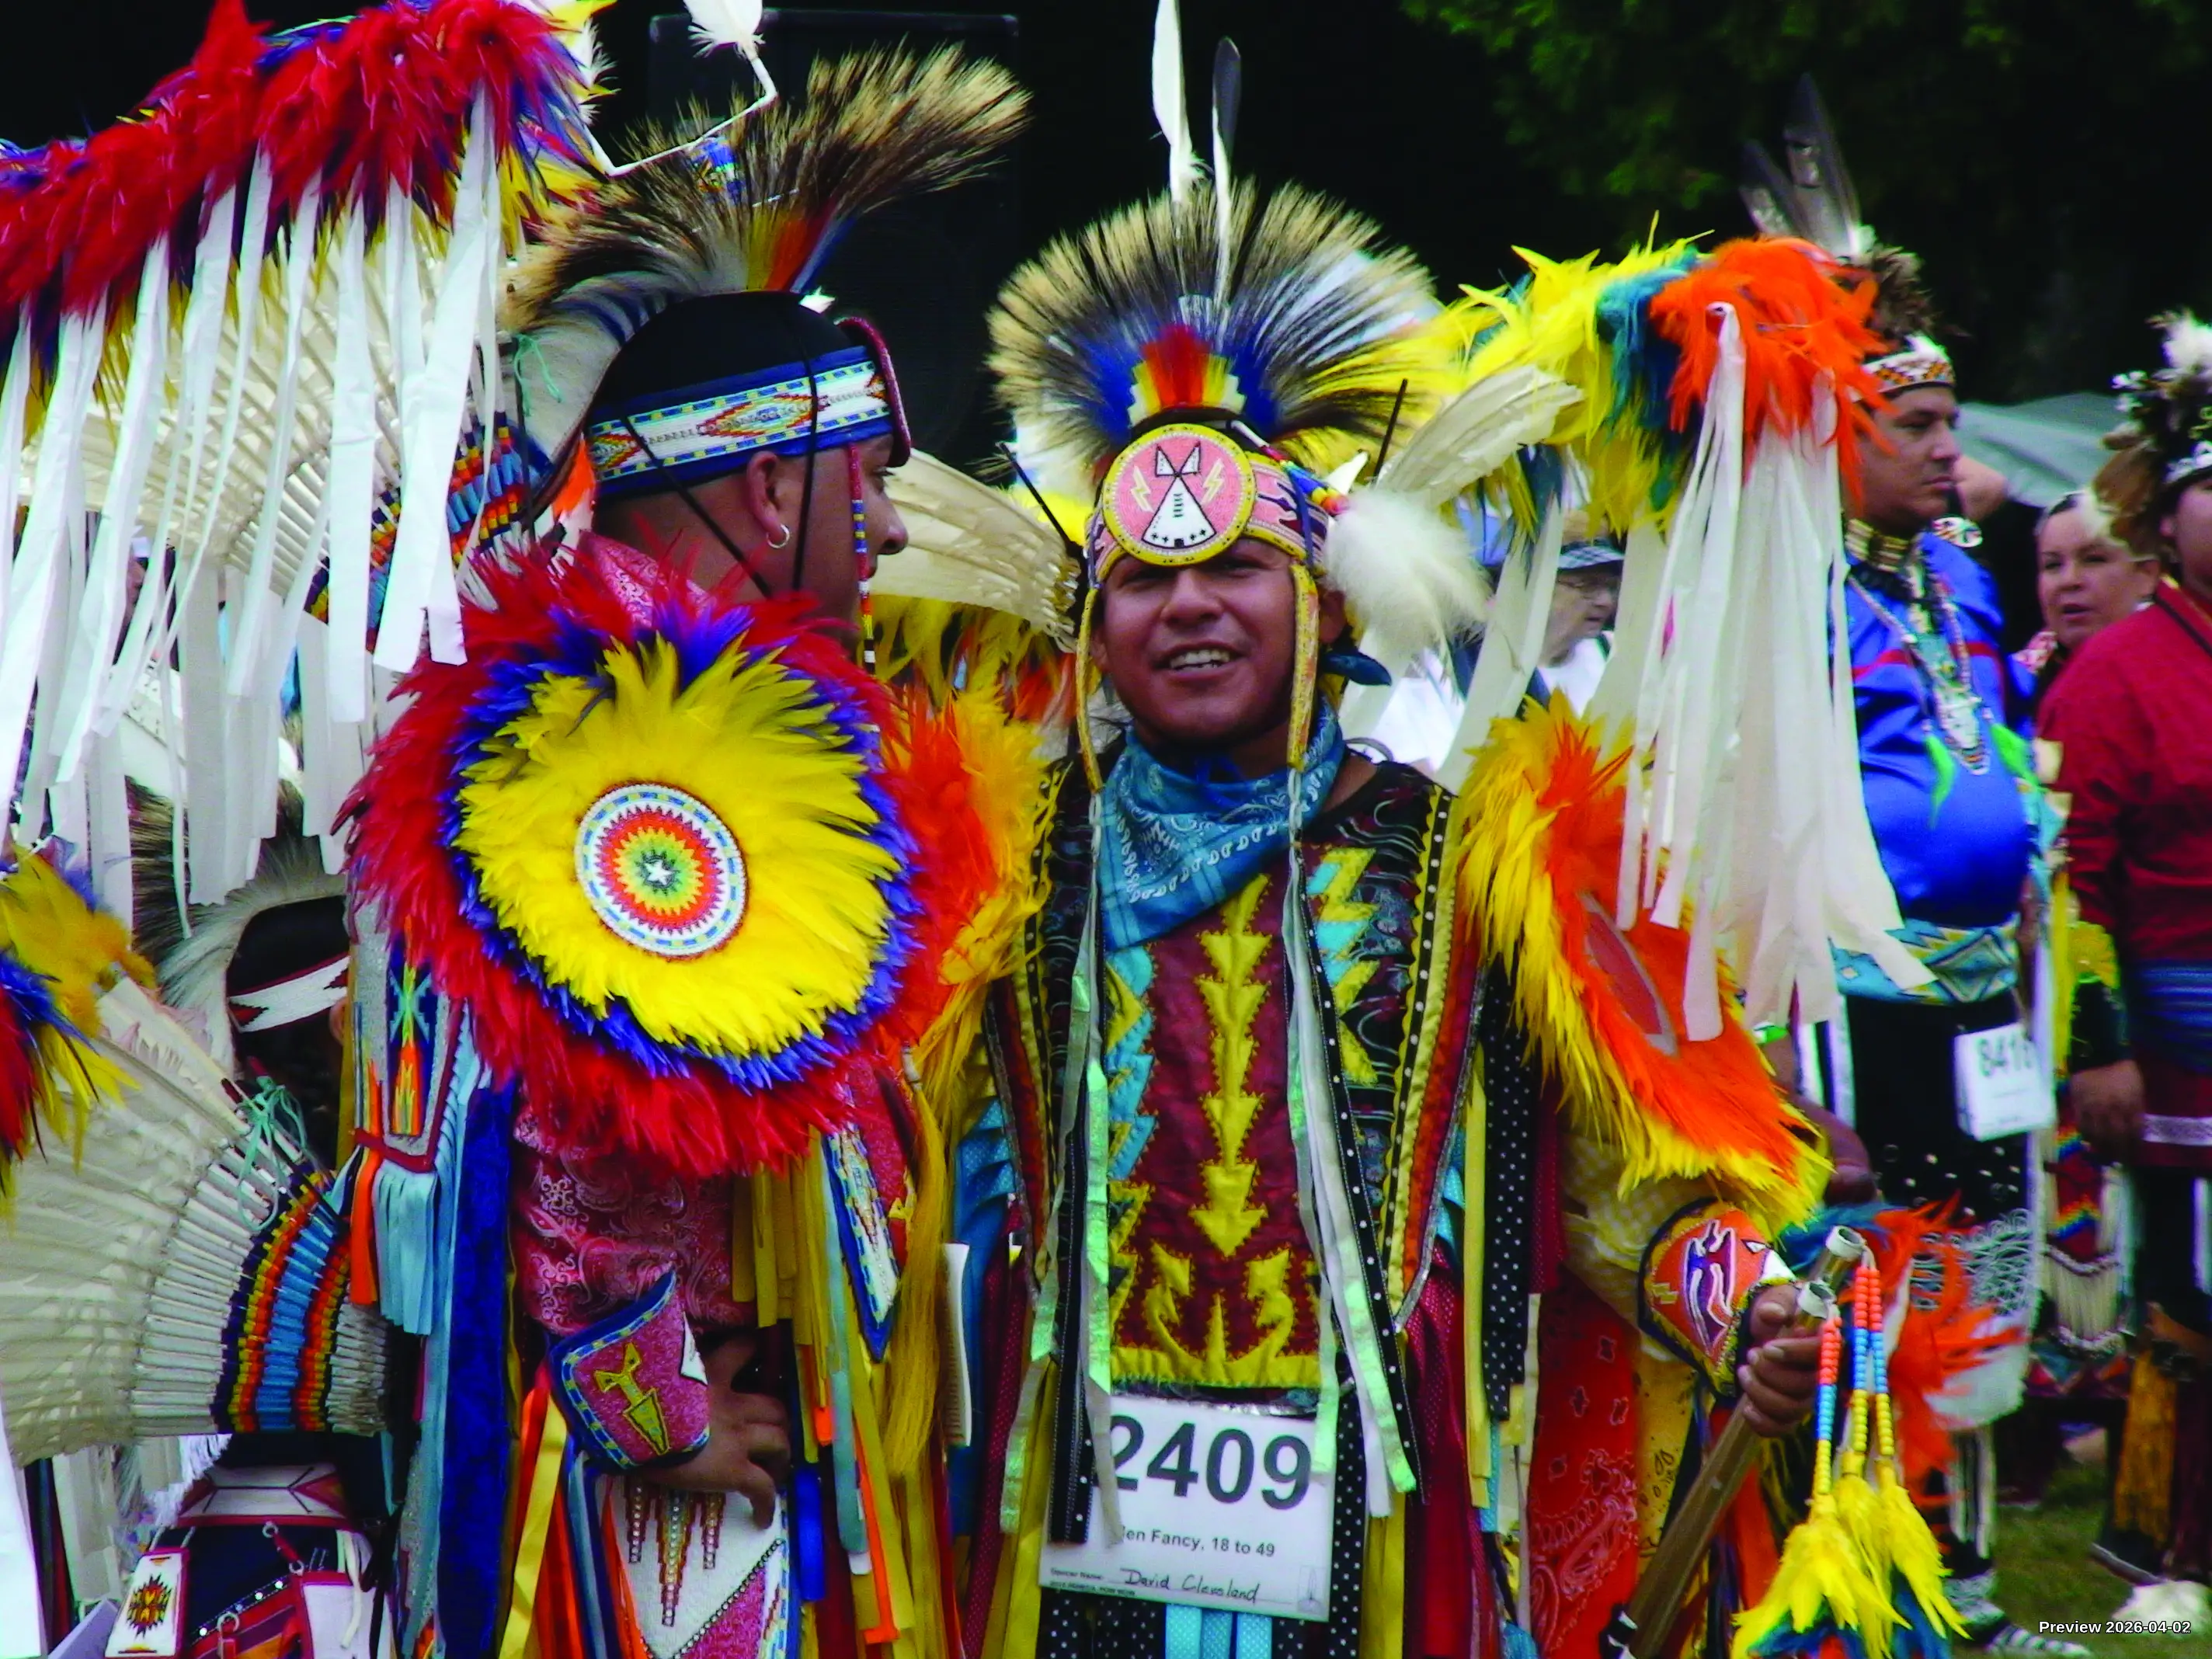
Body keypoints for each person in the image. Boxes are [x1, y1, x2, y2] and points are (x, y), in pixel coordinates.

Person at [958, 167, 1833, 1659]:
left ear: (1333, 604)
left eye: (1238, 565)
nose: (1189, 607)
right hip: (1076, 1503)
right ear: (1085, 626)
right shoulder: (1005, 871)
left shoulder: (1469, 859)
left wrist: (1735, 1297)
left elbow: (1624, 1184)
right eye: (1145, 580)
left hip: (1385, 1513)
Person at [343, 50, 1034, 1659]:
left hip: (760, 1401)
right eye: (861, 486)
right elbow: (595, 1107)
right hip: (661, 1485)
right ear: (770, 477)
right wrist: (649, 1402)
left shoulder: (687, 697)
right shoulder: (627, 724)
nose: (886, 533)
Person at [1824, 256, 2067, 1655]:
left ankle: (1965, 1583)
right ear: (1837, 438)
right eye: (1915, 428)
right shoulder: (1784, 597)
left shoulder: (1960, 587)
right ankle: (1873, 1574)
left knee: (1972, 1280)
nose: (1947, 453)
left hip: (1986, 991)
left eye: (1948, 425)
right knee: (1874, 1281)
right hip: (1853, 1007)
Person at [2040, 315, 2212, 1636]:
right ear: (2164, 514)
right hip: (2170, 1035)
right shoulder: (2114, 673)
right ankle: (2164, 1540)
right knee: (2187, 1287)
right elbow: (2069, 877)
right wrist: (2094, 1042)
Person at [2015, 492, 2160, 712]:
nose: (2069, 580)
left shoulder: (2185, 671)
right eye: (2053, 565)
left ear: (2147, 574)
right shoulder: (2009, 686)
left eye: (2093, 560)